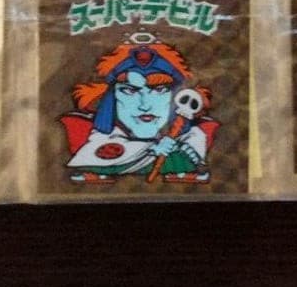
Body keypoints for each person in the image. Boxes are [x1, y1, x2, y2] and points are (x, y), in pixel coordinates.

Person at [59, 38, 218, 183]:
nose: (144, 106)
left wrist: (177, 147)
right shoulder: (103, 138)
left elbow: (194, 148)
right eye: (130, 91)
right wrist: (152, 150)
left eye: (159, 90)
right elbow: (97, 155)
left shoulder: (193, 136)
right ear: (113, 98)